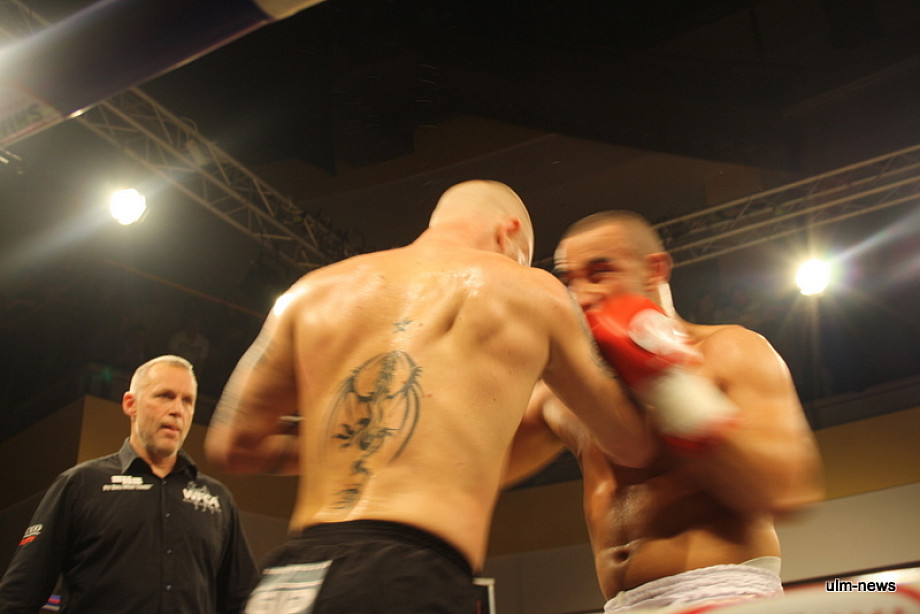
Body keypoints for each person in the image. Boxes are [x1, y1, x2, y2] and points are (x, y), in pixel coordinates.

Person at [204, 180, 662, 613]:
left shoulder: (310, 292)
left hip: (287, 577)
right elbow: (630, 444)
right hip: (406, 573)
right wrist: (655, 360)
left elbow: (232, 445)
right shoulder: (529, 288)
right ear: (509, 233)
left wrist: (362, 439)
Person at [503, 210, 825, 613]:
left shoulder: (730, 351)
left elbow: (787, 491)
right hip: (623, 605)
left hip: (722, 592)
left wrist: (669, 384)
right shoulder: (566, 392)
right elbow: (474, 472)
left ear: (654, 269)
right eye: (570, 280)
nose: (581, 295)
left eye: (600, 273)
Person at [0, 355, 258, 614]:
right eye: (165, 396)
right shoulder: (80, 484)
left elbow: (243, 602)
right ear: (130, 404)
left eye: (187, 400)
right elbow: (18, 596)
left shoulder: (218, 499)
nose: (177, 409)